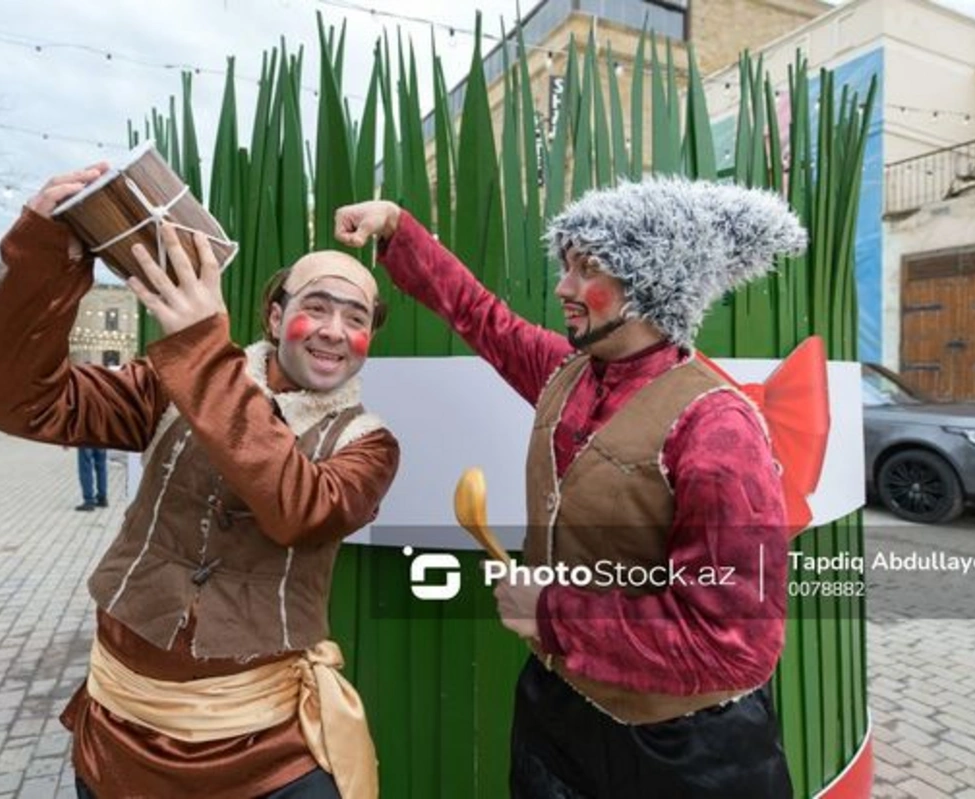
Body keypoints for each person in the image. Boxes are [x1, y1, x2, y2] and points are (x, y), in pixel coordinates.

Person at [334, 177, 807, 798]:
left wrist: (557, 615)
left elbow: (737, 645)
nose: (563, 287)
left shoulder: (718, 428)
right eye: (567, 265)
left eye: (588, 269)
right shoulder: (569, 373)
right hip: (555, 720)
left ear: (649, 285)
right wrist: (398, 227)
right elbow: (483, 318)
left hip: (682, 753)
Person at [0, 163, 399, 799]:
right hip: (118, 736)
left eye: (356, 317)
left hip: (266, 758)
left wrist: (203, 348)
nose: (336, 331)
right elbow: (20, 403)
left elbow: (299, 510)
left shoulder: (369, 443)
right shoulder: (166, 385)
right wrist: (45, 254)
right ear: (274, 316)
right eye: (317, 308)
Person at [75, 446, 107, 511]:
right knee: (101, 467)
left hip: (86, 439)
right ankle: (102, 498)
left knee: (85, 468)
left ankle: (89, 501)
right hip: (102, 440)